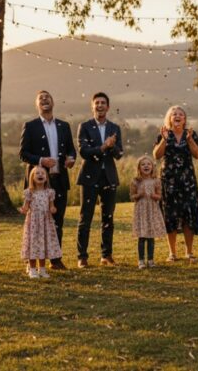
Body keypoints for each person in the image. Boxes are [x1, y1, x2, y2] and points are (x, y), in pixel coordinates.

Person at [19, 90, 76, 270]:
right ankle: (33, 259)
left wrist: (71, 159)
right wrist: (41, 161)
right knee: (36, 223)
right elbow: (23, 154)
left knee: (57, 220)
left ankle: (55, 259)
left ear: (53, 102)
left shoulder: (64, 126)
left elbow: (71, 150)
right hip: (38, 184)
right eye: (41, 98)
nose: (44, 99)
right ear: (37, 105)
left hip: (60, 180)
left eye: (47, 97)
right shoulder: (30, 126)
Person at [76, 92, 123, 268]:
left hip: (109, 177)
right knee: (85, 218)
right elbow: (84, 152)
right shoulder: (84, 126)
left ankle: (106, 255)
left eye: (103, 103)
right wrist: (104, 146)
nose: (100, 105)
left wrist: (112, 146)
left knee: (108, 218)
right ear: (92, 106)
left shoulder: (115, 128)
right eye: (97, 103)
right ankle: (82, 257)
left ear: (108, 107)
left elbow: (119, 154)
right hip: (89, 177)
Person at [153, 105, 198, 263]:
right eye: (174, 114)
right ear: (169, 118)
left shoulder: (191, 134)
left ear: (184, 119)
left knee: (189, 214)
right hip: (169, 181)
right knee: (171, 215)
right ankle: (172, 253)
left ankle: (189, 252)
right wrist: (164, 140)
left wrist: (190, 140)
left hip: (187, 180)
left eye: (180, 114)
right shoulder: (163, 133)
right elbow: (156, 155)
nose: (177, 116)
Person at [20, 166, 62, 279]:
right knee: (33, 245)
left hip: (45, 223)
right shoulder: (29, 192)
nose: (40, 175)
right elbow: (26, 206)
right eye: (37, 173)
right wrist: (23, 210)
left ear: (46, 177)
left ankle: (42, 269)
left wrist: (53, 209)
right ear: (32, 178)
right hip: (33, 223)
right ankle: (32, 270)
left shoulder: (49, 192)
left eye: (42, 173)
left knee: (43, 244)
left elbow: (52, 206)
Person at [130, 155, 167, 269]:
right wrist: (139, 195)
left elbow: (160, 196)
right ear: (139, 168)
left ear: (152, 167)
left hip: (152, 210)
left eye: (148, 164)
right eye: (143, 164)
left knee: (151, 236)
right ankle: (141, 261)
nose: (146, 166)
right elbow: (132, 197)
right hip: (141, 211)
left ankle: (150, 260)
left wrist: (154, 196)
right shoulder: (136, 181)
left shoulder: (156, 180)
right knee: (142, 236)